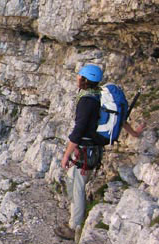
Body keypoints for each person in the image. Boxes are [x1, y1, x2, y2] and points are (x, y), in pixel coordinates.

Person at [53, 64, 146, 240]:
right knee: (74, 184)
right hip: (93, 150)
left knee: (77, 188)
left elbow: (78, 130)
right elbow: (120, 118)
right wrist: (134, 133)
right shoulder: (100, 97)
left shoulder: (87, 101)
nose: (77, 78)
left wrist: (66, 155)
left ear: (84, 80)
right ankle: (75, 219)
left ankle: (75, 227)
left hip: (86, 152)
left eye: (79, 76)